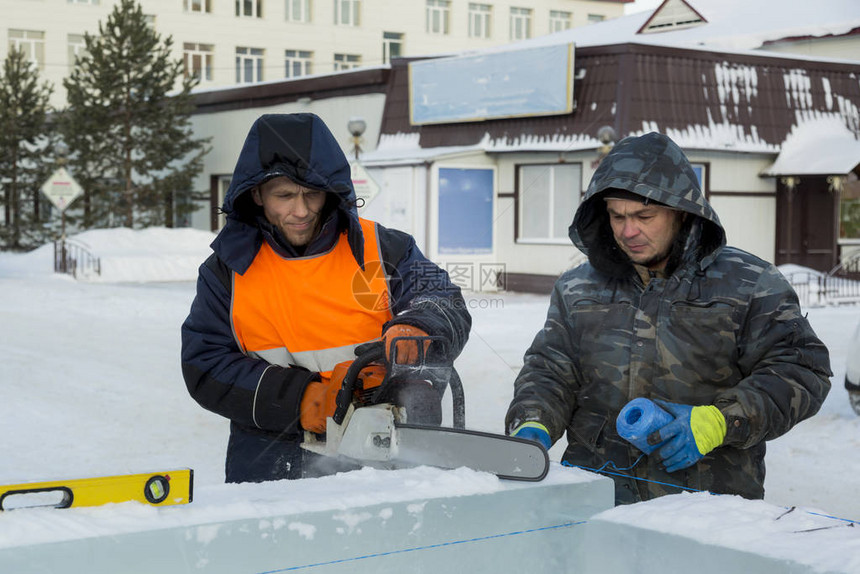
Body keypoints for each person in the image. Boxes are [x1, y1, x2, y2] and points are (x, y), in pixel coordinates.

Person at [505, 132, 832, 504]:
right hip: (595, 497)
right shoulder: (578, 287)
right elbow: (551, 368)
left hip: (705, 504)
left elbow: (802, 371)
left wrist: (722, 420)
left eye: (644, 215)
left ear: (680, 211)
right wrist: (533, 419)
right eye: (617, 216)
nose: (629, 231)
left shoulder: (749, 284)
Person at [181, 113, 470, 483]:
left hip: (383, 463)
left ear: (331, 191)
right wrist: (301, 400)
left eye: (312, 194)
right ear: (256, 194)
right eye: (284, 195)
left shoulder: (384, 248)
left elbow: (442, 297)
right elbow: (204, 363)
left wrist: (417, 324)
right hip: (267, 463)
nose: (300, 211)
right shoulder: (227, 270)